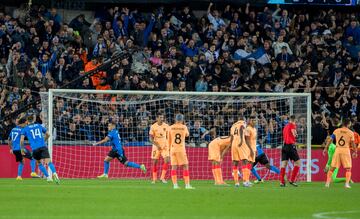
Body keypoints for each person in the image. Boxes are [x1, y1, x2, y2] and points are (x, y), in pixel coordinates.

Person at [20, 115, 60, 184]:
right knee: (49, 162)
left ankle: (48, 177)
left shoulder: (25, 128)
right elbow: (48, 134)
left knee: (39, 163)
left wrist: (22, 148)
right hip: (43, 146)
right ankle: (54, 173)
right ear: (33, 119)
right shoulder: (39, 125)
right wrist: (44, 140)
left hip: (35, 148)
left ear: (27, 120)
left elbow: (21, 140)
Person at [323, 118, 357, 188]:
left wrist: (325, 148)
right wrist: (355, 151)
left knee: (332, 168)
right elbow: (353, 143)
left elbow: (330, 140)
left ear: (342, 123)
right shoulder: (351, 133)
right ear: (349, 124)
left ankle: (327, 183)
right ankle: (347, 184)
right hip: (345, 150)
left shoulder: (336, 130)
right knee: (348, 169)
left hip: (337, 149)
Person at [168, 114, 194, 189]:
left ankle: (175, 185)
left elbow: (169, 139)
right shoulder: (184, 127)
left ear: (175, 119)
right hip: (181, 149)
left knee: (174, 167)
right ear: (182, 120)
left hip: (172, 149)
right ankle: (187, 185)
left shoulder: (170, 127)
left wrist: (169, 149)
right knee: (185, 166)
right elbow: (187, 135)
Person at [230, 118, 253, 187]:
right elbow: (241, 128)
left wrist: (231, 145)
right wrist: (241, 141)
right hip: (240, 143)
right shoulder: (243, 123)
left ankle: (236, 183)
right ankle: (245, 181)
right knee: (245, 161)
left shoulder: (233, 125)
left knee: (235, 162)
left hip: (233, 144)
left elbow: (231, 136)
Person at [149, 113, 170, 184]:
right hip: (156, 146)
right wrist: (157, 145)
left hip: (164, 146)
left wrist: (168, 144)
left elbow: (169, 136)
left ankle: (162, 178)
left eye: (162, 117)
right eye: (160, 117)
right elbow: (151, 139)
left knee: (167, 160)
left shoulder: (166, 126)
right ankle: (154, 179)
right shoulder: (153, 126)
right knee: (154, 162)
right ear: (157, 118)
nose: (162, 119)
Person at [280, 115, 300, 187]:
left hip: (284, 146)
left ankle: (282, 182)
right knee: (298, 163)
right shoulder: (292, 125)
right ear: (294, 120)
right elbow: (294, 134)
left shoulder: (285, 127)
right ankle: (292, 180)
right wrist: (296, 134)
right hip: (291, 146)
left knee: (283, 164)